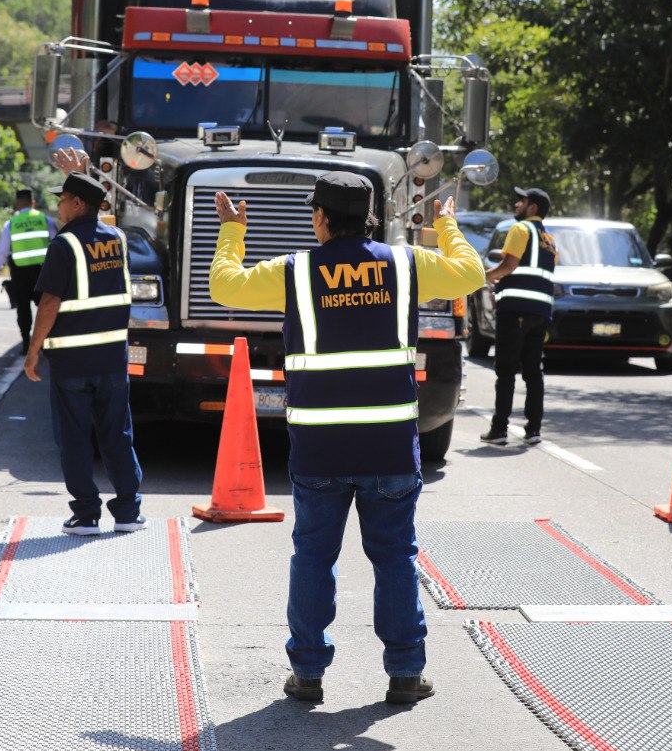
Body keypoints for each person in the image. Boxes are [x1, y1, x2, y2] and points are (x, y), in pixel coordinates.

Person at [209, 171, 484, 705]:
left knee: (314, 556)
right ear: (371, 217)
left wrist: (232, 231)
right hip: (389, 446)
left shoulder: (295, 270)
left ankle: (307, 675)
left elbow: (225, 287)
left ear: (321, 218)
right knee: (395, 556)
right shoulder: (405, 264)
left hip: (320, 447)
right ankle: (405, 673)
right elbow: (470, 274)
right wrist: (447, 226)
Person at [23, 171, 146, 537]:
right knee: (117, 435)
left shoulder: (65, 245)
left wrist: (33, 351)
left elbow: (49, 302)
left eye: (63, 199)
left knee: (74, 439)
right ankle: (127, 512)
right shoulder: (118, 239)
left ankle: (87, 515)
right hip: (111, 360)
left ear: (78, 204)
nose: (58, 206)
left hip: (72, 364)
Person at [480, 187, 558, 446]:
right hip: (540, 312)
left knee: (505, 371)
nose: (516, 205)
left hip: (515, 310)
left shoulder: (520, 229)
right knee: (534, 372)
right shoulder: (549, 239)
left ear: (532, 208)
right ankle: (534, 430)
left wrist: (485, 276)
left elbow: (509, 266)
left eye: (521, 201)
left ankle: (499, 429)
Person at [0, 186, 58, 353]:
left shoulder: (11, 224)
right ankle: (45, 343)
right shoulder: (44, 219)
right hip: (42, 273)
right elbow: (57, 243)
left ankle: (26, 343)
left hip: (20, 274)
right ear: (33, 202)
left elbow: (2, 250)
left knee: (23, 308)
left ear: (17, 204)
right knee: (45, 307)